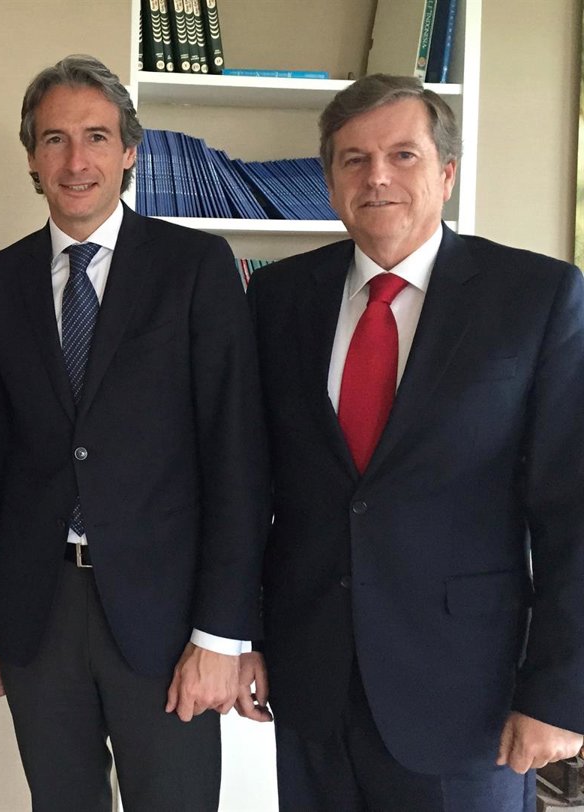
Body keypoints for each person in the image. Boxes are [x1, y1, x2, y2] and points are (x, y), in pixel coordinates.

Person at [243, 73, 584, 810]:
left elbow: (572, 510)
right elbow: (252, 484)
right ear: (330, 182)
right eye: (354, 159)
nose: (377, 177)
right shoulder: (277, 298)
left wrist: (561, 692)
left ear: (447, 173)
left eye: (403, 155)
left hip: (469, 694)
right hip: (313, 685)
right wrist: (244, 637)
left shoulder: (535, 296)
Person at [0, 54, 269, 811]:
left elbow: (236, 458)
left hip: (167, 618)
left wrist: (221, 634)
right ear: (31, 157)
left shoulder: (195, 265)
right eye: (55, 139)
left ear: (130, 150)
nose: (76, 160)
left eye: (96, 137)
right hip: (38, 611)